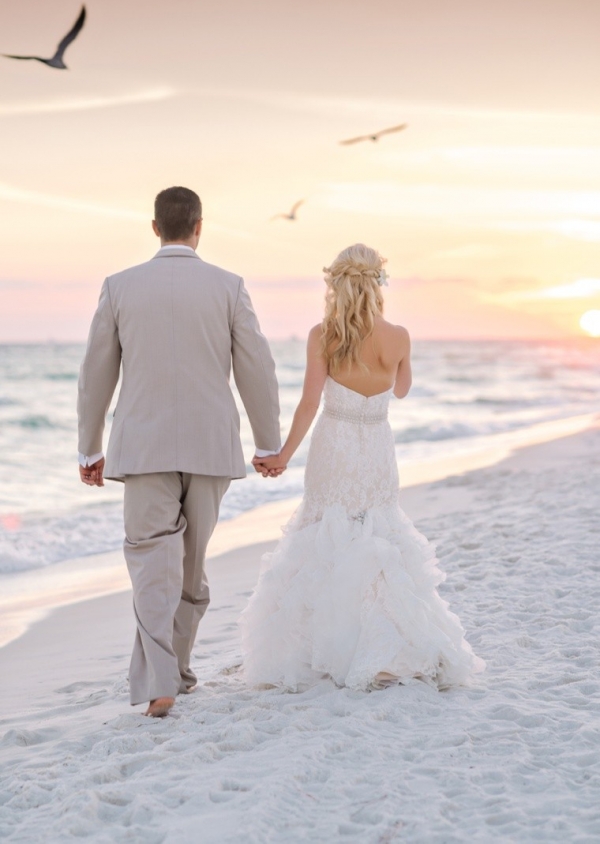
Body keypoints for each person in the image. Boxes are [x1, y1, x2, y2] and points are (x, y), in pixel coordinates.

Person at [78, 186, 281, 717]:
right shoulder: (229, 286)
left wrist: (89, 448)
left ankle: (167, 678)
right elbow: (256, 366)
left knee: (151, 564)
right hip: (211, 448)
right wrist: (267, 443)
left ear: (154, 227)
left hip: (142, 448)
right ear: (198, 226)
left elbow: (96, 374)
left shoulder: (119, 286)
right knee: (189, 569)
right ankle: (175, 672)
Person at [245, 244, 484, 691]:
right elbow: (403, 390)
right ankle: (384, 643)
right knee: (376, 535)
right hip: (377, 447)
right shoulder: (400, 336)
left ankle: (325, 647)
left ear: (336, 285)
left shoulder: (325, 335)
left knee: (325, 534)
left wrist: (282, 456)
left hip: (334, 446)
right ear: (378, 284)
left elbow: (309, 404)